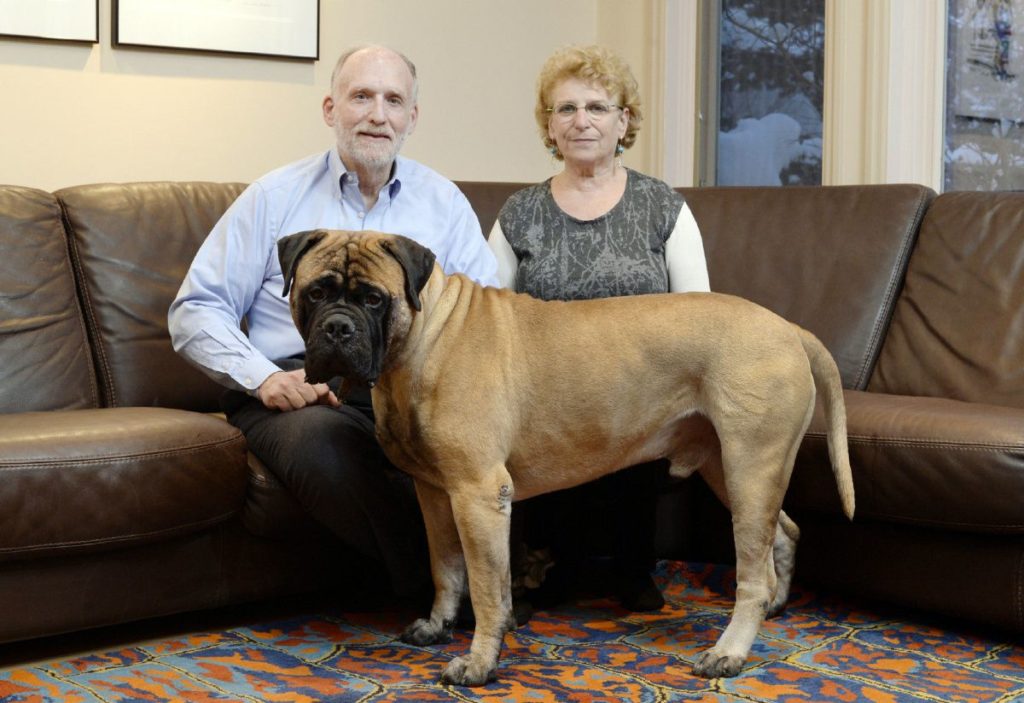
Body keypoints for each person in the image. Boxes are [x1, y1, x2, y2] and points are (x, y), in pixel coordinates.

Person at [168, 45, 498, 603]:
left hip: (411, 386)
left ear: (412, 117)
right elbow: (194, 307)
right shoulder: (275, 197)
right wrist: (262, 377)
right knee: (326, 446)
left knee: (505, 437)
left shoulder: (442, 203)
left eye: (394, 100)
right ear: (330, 109)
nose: (377, 114)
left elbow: (488, 312)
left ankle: (500, 577)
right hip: (292, 386)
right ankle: (441, 593)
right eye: (361, 96)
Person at [488, 45, 710, 612]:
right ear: (549, 126)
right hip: (545, 401)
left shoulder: (663, 206)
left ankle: (630, 568)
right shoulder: (520, 212)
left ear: (623, 120)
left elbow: (700, 315)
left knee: (637, 416)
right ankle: (546, 567)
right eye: (565, 109)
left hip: (643, 398)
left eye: (596, 107)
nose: (581, 121)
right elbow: (484, 318)